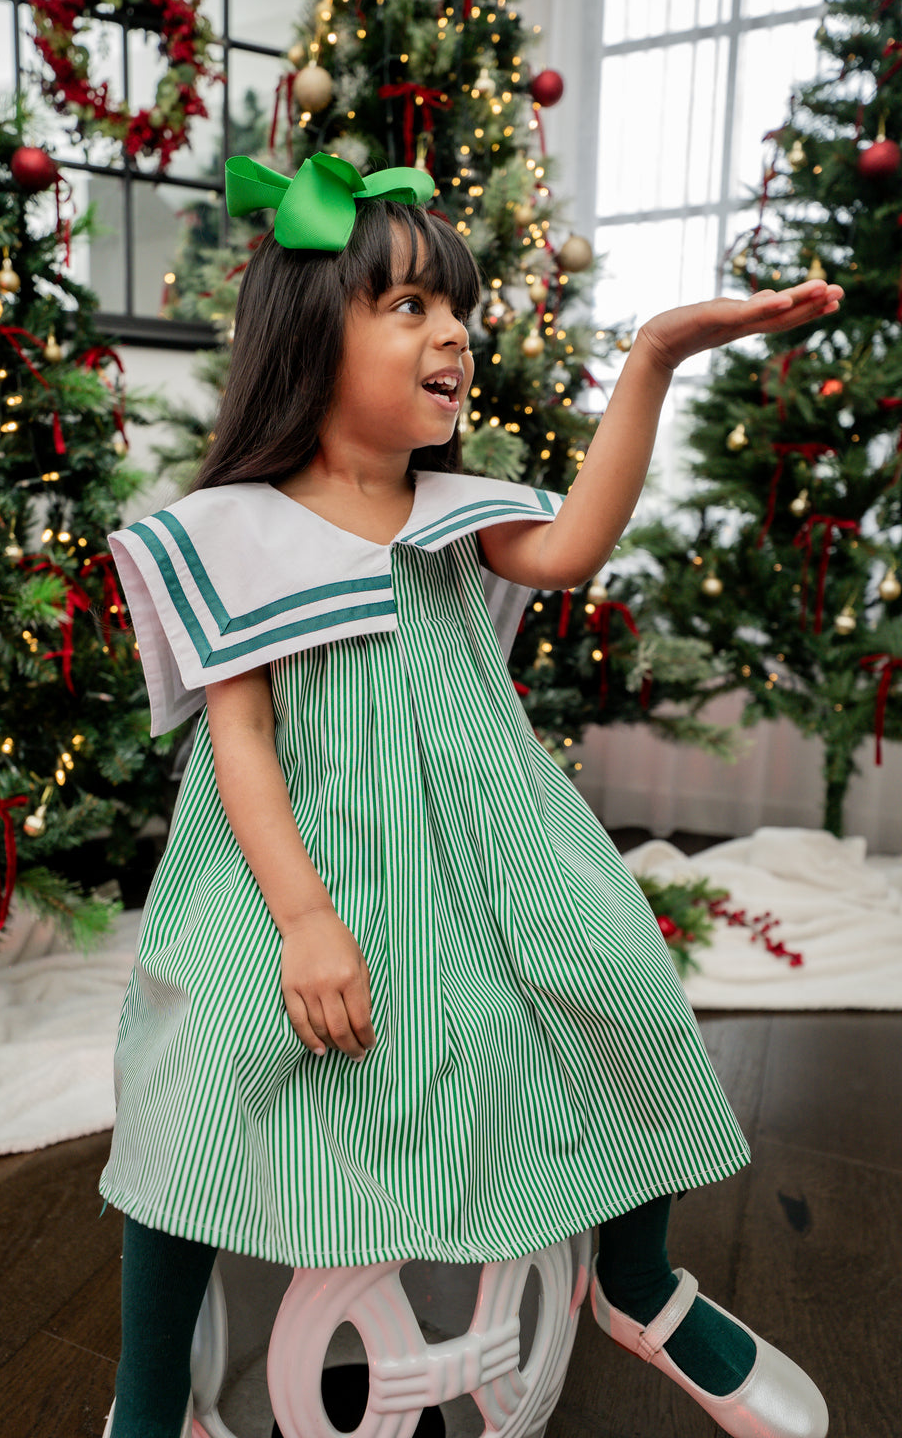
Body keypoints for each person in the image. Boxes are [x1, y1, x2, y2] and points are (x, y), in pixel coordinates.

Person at [100, 154, 839, 1438]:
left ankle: (639, 1284)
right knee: (195, 1073)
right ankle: (151, 1399)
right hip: (293, 864)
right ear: (307, 335)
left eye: (461, 310)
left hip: (485, 841)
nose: (454, 333)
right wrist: (305, 921)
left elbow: (571, 546)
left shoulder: (459, 510)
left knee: (617, 977)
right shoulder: (229, 530)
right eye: (407, 306)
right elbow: (245, 746)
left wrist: (656, 356)